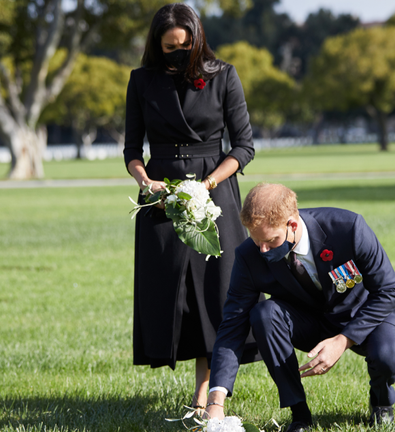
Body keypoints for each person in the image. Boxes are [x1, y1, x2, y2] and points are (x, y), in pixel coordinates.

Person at [124, 3, 260, 411]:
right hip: (161, 192)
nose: (178, 53)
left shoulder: (224, 76)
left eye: (185, 45)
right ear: (157, 45)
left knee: (212, 292)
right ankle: (183, 367)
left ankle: (206, 390)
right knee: (171, 291)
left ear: (197, 40)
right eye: (170, 47)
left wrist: (209, 183)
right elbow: (133, 149)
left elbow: (243, 146)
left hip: (213, 189)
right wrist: (144, 181)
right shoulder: (141, 81)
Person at [204, 183, 395, 431]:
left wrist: (343, 340)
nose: (262, 249)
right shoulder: (249, 255)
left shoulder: (348, 228)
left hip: (363, 314)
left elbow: (388, 291)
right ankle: (299, 415)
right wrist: (215, 399)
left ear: (293, 225)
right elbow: (232, 324)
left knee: (387, 356)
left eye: (270, 241)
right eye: (256, 241)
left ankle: (381, 402)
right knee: (263, 314)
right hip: (309, 321)